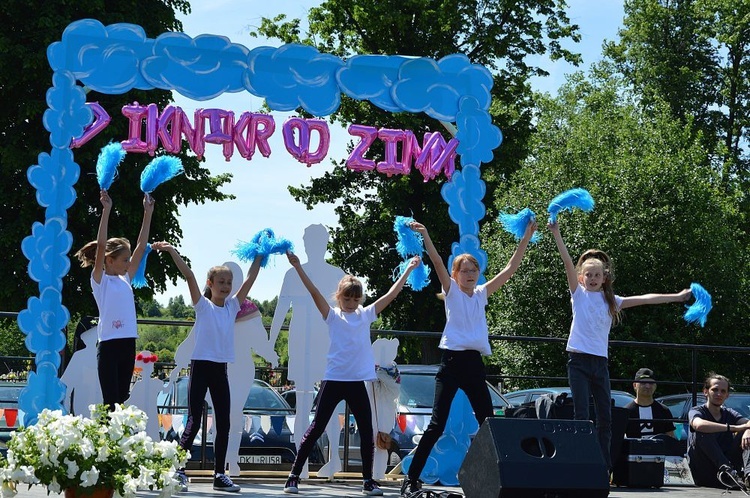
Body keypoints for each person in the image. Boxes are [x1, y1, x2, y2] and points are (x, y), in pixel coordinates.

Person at [401, 219, 537, 497]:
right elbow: (438, 261)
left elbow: (511, 269)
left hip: (474, 364)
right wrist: (426, 233)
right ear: (456, 274)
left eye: (474, 270)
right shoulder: (451, 292)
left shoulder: (481, 294)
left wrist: (526, 236)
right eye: (465, 270)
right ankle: (412, 477)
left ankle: (502, 478)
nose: (470, 274)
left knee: (489, 422)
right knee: (437, 424)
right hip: (451, 363)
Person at [548, 220, 692, 473]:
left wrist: (676, 297)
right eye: (588, 275)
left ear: (604, 278)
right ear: (582, 279)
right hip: (578, 362)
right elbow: (567, 263)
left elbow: (647, 299)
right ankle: (578, 464)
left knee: (606, 417)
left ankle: (603, 467)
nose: (592, 278)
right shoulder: (578, 294)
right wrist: (557, 233)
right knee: (581, 414)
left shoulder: (611, 301)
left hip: (599, 364)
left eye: (597, 275)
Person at [282, 252, 420, 496]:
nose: (351, 302)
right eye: (347, 297)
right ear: (339, 296)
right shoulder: (332, 316)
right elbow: (314, 292)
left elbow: (391, 295)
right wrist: (297, 267)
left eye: (356, 298)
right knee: (317, 427)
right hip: (334, 379)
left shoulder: (365, 315)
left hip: (357, 381)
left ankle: (368, 481)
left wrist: (408, 270)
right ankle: (293, 476)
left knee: (367, 430)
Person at [151, 241, 263, 493]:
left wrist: (260, 253)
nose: (225, 286)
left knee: (224, 422)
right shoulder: (202, 306)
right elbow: (188, 274)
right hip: (200, 367)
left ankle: (219, 474)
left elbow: (252, 277)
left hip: (220, 370)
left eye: (228, 283)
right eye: (220, 282)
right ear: (210, 284)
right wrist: (171, 251)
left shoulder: (233, 306)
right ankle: (177, 470)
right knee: (194, 419)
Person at [74, 190, 154, 411]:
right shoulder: (100, 281)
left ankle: (118, 442)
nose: (129, 263)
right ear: (109, 260)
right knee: (110, 402)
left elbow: (141, 245)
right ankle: (105, 442)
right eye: (125, 259)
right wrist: (106, 210)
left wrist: (148, 213)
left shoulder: (126, 278)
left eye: (129, 260)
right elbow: (101, 245)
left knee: (122, 400)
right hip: (109, 345)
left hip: (128, 343)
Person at [687, 373, 750, 489]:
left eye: (723, 391)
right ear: (706, 392)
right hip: (704, 470)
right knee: (703, 431)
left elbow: (748, 422)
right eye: (715, 390)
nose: (719, 394)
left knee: (747, 433)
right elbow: (699, 425)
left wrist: (747, 430)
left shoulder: (730, 413)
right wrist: (733, 428)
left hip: (730, 468)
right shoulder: (696, 411)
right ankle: (728, 472)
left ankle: (748, 475)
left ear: (727, 395)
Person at [624, 368, 675, 439]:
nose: (647, 386)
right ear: (635, 385)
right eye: (643, 383)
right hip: (633, 450)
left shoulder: (664, 411)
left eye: (651, 383)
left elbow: (670, 438)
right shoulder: (626, 411)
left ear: (655, 386)